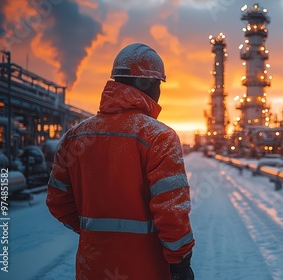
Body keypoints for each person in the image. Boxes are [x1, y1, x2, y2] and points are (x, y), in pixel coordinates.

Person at [46, 43, 195, 280]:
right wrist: (180, 262)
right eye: (158, 84)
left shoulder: (74, 137)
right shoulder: (160, 137)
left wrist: (94, 230)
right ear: (146, 84)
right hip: (146, 269)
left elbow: (57, 201)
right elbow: (172, 213)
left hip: (92, 268)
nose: (159, 92)